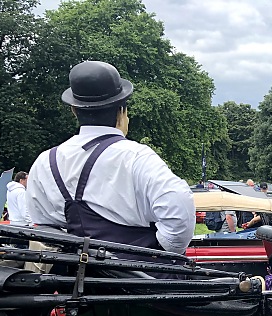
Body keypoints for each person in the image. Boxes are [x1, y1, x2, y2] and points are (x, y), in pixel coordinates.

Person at [25, 61, 194, 255]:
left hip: (78, 281)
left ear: (74, 109)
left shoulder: (45, 162)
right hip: (143, 279)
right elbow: (180, 212)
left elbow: (43, 227)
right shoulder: (137, 157)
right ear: (122, 110)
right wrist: (163, 250)